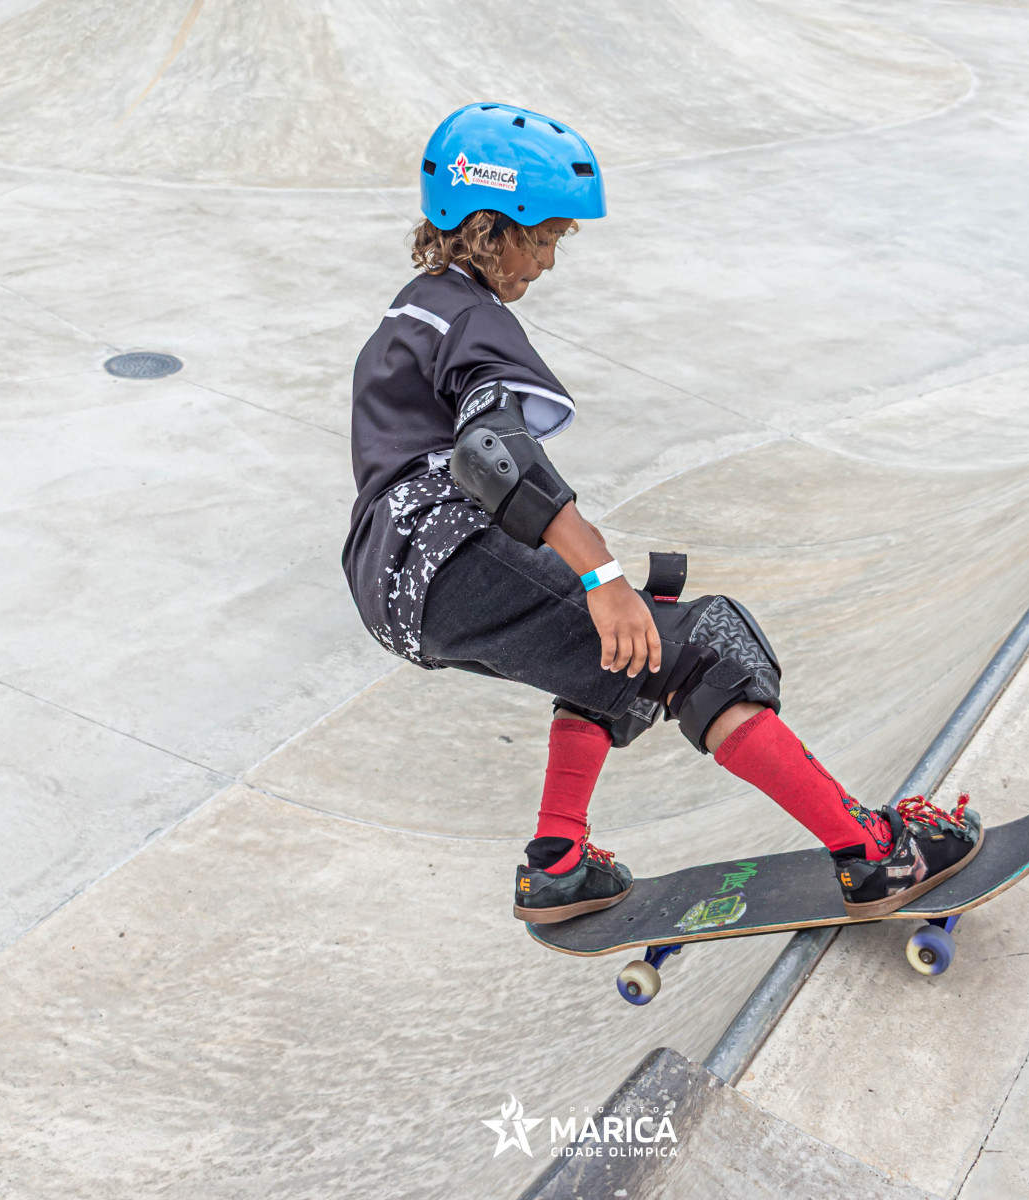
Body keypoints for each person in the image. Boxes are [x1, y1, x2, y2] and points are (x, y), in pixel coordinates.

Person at [342, 102, 981, 924]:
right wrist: (600, 575)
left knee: (627, 652)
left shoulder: (416, 308)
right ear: (488, 226)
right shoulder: (474, 317)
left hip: (390, 583)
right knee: (705, 650)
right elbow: (490, 453)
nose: (548, 261)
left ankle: (558, 863)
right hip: (445, 553)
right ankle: (874, 853)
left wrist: (610, 595)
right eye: (545, 237)